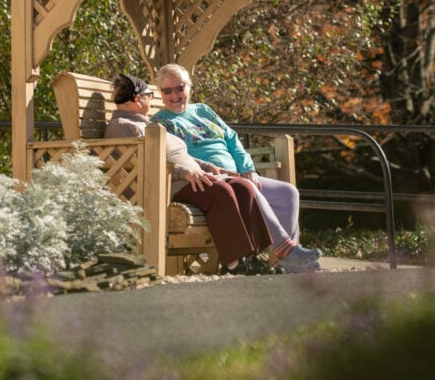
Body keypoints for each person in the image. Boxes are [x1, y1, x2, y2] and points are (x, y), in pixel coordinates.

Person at [151, 63, 322, 273]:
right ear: (160, 93)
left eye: (180, 88)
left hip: (238, 175)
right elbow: (180, 157)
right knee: (247, 187)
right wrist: (220, 172)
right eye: (167, 90)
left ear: (190, 87)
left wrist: (248, 167)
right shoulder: (161, 123)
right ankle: (287, 251)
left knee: (288, 193)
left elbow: (232, 139)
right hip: (210, 179)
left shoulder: (203, 110)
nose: (175, 95)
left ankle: (284, 263)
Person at [104, 73, 277, 276]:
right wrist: (184, 172)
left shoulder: (144, 123)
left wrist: (209, 167)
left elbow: (180, 154)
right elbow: (144, 163)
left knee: (243, 186)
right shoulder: (124, 127)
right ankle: (233, 264)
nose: (152, 99)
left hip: (188, 176)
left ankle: (253, 258)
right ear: (137, 99)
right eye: (150, 94)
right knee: (220, 191)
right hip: (165, 184)